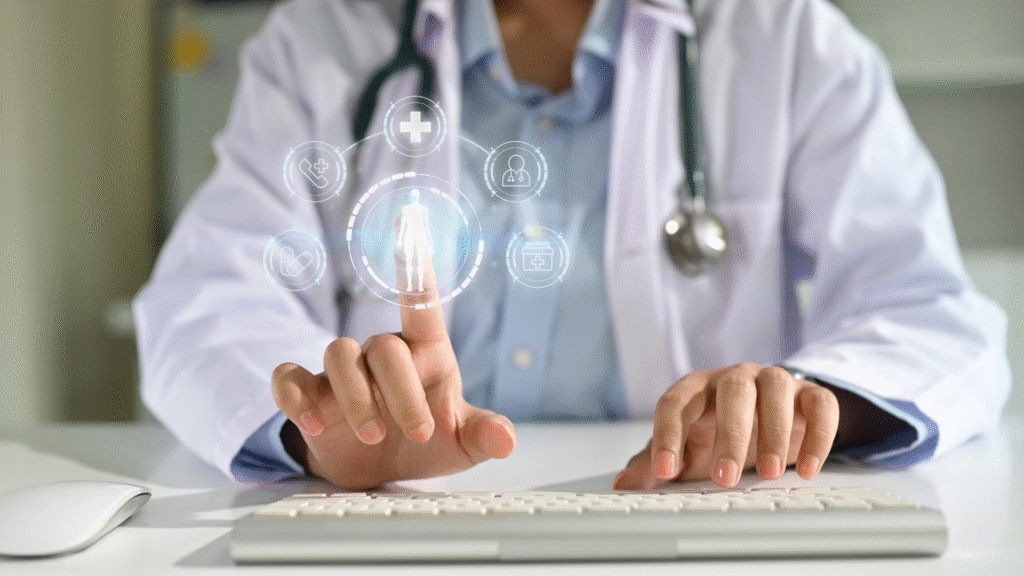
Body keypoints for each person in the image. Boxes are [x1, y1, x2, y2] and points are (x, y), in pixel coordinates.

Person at [134, 0, 1010, 490]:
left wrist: (811, 403)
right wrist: (323, 432)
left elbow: (931, 311)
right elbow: (204, 298)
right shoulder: (321, 43)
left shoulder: (785, 39)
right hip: (397, 522)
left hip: (696, 521)